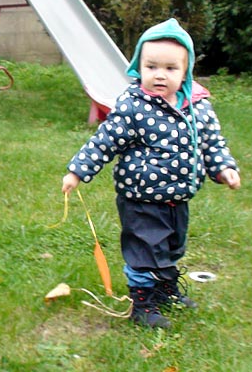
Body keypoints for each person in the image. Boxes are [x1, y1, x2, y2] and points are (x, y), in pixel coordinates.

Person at [61, 18, 240, 328]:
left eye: (170, 68)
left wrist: (223, 168)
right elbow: (105, 141)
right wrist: (77, 171)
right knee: (145, 250)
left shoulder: (198, 107)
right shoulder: (133, 106)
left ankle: (166, 290)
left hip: (177, 197)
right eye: (151, 66)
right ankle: (143, 304)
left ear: (186, 71)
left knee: (172, 246)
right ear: (138, 67)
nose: (160, 74)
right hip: (141, 199)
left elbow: (212, 143)